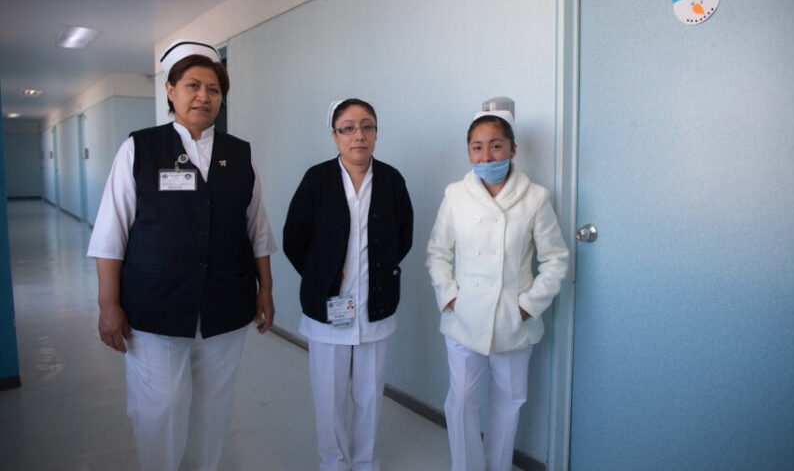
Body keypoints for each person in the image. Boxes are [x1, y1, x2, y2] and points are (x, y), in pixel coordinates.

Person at [87, 39, 276, 471]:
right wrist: (107, 303)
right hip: (155, 303)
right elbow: (111, 233)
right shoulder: (139, 149)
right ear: (170, 91)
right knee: (161, 407)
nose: (203, 97)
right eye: (192, 85)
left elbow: (257, 229)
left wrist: (265, 289)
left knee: (213, 406)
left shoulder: (239, 155)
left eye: (213, 89)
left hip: (225, 302)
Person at [426, 99, 569, 471]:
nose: (487, 156)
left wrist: (527, 306)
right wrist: (450, 297)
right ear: (469, 152)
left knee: (509, 403)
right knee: (461, 402)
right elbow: (437, 252)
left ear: (513, 149)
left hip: (513, 319)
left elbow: (556, 259)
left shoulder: (535, 198)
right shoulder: (455, 195)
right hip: (463, 316)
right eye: (477, 147)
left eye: (496, 146)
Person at [283, 98, 413, 471]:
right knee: (329, 396)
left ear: (376, 133)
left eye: (367, 126)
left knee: (369, 395)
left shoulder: (391, 180)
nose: (359, 135)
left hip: (376, 305)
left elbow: (403, 237)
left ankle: (365, 462)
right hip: (329, 307)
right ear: (335, 135)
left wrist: (378, 274)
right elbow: (294, 237)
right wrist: (321, 275)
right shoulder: (317, 179)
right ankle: (334, 463)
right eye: (349, 128)